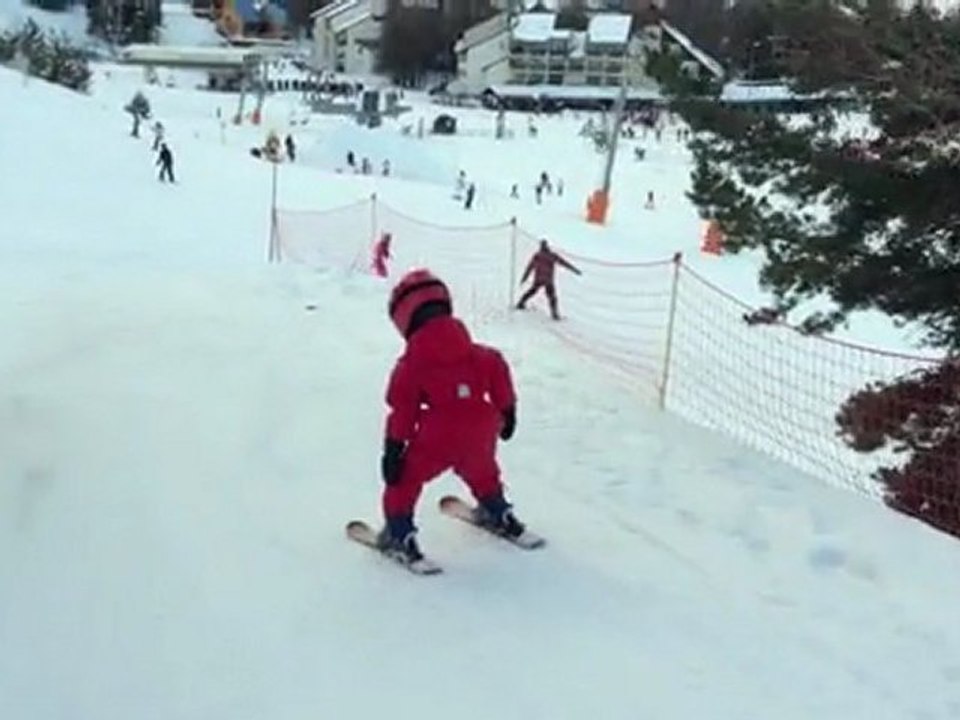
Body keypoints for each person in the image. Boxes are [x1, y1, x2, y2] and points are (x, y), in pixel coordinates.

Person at [377, 269, 527, 564]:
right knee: (482, 470)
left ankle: (398, 532)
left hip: (438, 437)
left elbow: (403, 411)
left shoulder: (410, 366)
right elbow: (497, 367)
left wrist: (393, 450)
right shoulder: (476, 353)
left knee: (405, 482)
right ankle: (498, 510)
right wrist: (508, 411)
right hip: (481, 428)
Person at [516, 240, 582, 320]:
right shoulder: (551, 255)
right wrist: (575, 270)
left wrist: (524, 278)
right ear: (547, 246)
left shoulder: (537, 256)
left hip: (538, 279)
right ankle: (554, 314)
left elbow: (529, 268)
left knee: (532, 291)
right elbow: (564, 263)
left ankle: (520, 303)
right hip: (548, 280)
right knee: (552, 297)